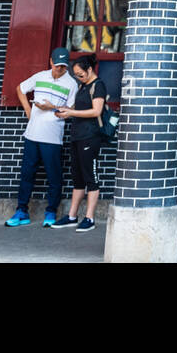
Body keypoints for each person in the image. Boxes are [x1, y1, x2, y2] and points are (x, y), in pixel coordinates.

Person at [7, 46, 78, 228]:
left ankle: (51, 212)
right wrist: (29, 111)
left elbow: (71, 111)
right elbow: (20, 89)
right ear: (51, 62)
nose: (60, 69)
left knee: (53, 176)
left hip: (53, 137)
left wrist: (52, 107)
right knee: (27, 174)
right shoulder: (39, 77)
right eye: (57, 65)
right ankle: (22, 211)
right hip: (32, 134)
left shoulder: (71, 84)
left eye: (63, 66)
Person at [53, 53, 108, 232]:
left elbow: (96, 111)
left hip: (90, 137)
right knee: (77, 178)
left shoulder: (98, 85)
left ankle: (89, 218)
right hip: (77, 136)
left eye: (80, 74)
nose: (78, 77)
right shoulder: (82, 86)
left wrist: (71, 113)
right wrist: (66, 110)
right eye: (76, 75)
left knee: (90, 178)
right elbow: (80, 108)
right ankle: (71, 216)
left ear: (90, 69)